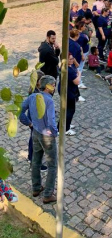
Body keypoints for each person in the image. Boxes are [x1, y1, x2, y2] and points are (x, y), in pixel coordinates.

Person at [22, 76, 59, 204]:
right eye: (53, 85)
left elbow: (20, 111)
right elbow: (51, 121)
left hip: (36, 133)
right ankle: (48, 194)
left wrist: (29, 124)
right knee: (52, 165)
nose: (54, 87)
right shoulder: (49, 100)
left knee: (36, 160)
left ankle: (36, 188)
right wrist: (54, 133)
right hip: (47, 136)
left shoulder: (33, 96)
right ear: (48, 86)